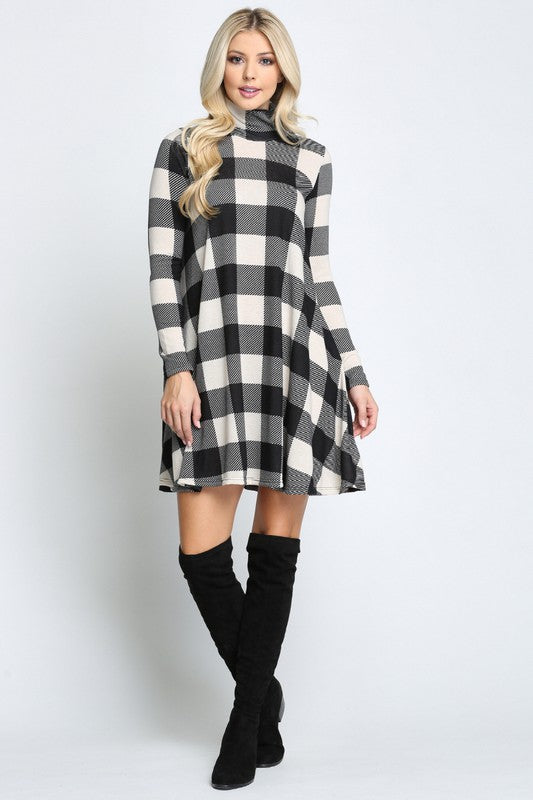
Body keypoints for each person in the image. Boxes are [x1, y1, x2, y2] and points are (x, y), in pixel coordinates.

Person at [147, 7, 378, 791]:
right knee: (200, 557)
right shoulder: (185, 148)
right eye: (238, 58)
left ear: (283, 71)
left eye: (265, 60)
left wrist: (354, 373)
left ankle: (245, 724)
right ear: (220, 65)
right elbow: (162, 269)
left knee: (273, 555)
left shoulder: (310, 159)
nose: (250, 73)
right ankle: (264, 697)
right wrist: (176, 367)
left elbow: (318, 274)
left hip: (294, 366)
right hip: (210, 367)